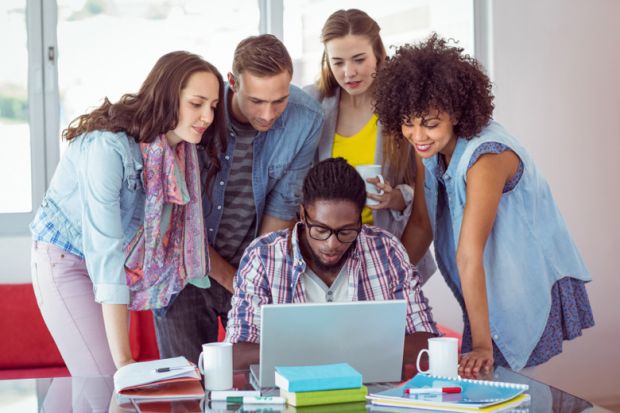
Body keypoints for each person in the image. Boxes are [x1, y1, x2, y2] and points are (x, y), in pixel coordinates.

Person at [373, 34, 594, 377]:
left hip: (524, 276)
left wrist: (480, 343)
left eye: (430, 124)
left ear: (457, 114)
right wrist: (381, 284)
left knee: (498, 371)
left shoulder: (486, 157)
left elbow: (468, 253)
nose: (417, 135)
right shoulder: (426, 147)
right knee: (486, 380)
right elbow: (421, 225)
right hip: (485, 276)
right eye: (408, 123)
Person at [30, 51, 226, 376]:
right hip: (66, 260)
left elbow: (172, 242)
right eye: (196, 103)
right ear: (166, 97)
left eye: (214, 106)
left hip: (108, 264)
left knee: (99, 389)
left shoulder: (178, 152)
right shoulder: (107, 150)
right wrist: (125, 362)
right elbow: (106, 254)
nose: (207, 116)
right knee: (105, 377)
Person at [153, 34, 324, 364]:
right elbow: (175, 222)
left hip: (250, 268)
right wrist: (237, 280)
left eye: (280, 100)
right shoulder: (196, 115)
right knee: (187, 389)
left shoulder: (306, 118)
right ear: (232, 83)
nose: (269, 113)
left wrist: (255, 281)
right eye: (257, 101)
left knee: (261, 383)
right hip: (184, 271)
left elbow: (283, 206)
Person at [226, 157, 438, 372]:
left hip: (374, 395)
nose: (331, 244)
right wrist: (342, 353)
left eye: (346, 232)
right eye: (320, 230)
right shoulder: (263, 256)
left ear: (360, 222)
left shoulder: (387, 250)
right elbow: (236, 354)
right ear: (302, 215)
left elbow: (427, 342)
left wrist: (305, 353)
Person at [304, 9, 436, 281]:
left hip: (388, 249)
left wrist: (394, 197)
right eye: (337, 62)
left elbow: (424, 192)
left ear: (378, 54)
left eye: (359, 59)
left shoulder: (405, 108)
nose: (348, 72)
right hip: (329, 255)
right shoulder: (312, 104)